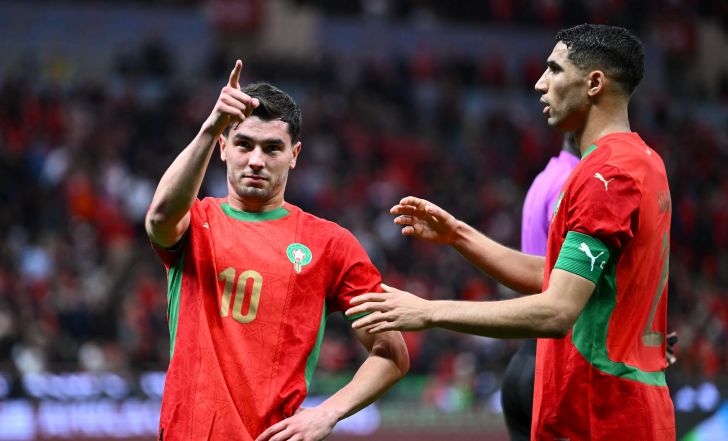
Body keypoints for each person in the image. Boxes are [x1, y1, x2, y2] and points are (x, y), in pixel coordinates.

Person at [346, 24, 675, 440]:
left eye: (554, 69)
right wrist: (458, 235)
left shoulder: (605, 177)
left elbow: (557, 310)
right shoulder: (644, 161)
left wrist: (428, 311)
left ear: (594, 83)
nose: (540, 83)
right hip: (627, 405)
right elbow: (557, 275)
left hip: (600, 413)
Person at [145, 60, 409, 441]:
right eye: (243, 144)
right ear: (223, 147)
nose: (256, 160)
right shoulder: (195, 224)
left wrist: (328, 413)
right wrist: (210, 125)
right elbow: (159, 217)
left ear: (294, 154)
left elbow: (392, 353)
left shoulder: (329, 244)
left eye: (272, 148)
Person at [501, 135, 579, 441]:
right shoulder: (575, 183)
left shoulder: (544, 178)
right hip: (559, 368)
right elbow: (571, 283)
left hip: (525, 360)